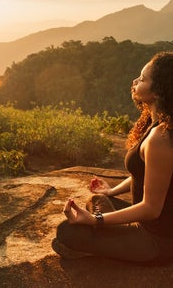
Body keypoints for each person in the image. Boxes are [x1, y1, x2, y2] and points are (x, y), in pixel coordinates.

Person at [52, 51, 173, 264]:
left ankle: (109, 241)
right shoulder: (156, 125)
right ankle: (113, 235)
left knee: (67, 233)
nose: (135, 81)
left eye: (143, 79)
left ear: (158, 91)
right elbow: (146, 173)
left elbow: (151, 209)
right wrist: (112, 191)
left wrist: (96, 220)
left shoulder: (161, 138)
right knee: (98, 199)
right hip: (150, 225)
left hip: (159, 240)